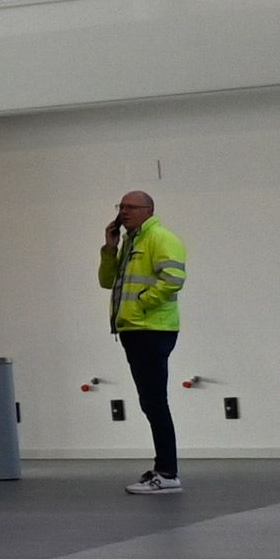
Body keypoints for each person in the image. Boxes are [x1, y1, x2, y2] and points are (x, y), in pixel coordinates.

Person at [100, 187, 192, 496]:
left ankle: (167, 472)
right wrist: (109, 248)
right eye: (121, 206)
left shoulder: (161, 238)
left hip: (153, 328)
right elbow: (105, 281)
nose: (124, 211)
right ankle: (164, 468)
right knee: (150, 401)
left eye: (131, 206)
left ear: (148, 211)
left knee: (154, 401)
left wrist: (142, 302)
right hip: (134, 329)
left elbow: (174, 280)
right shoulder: (129, 243)